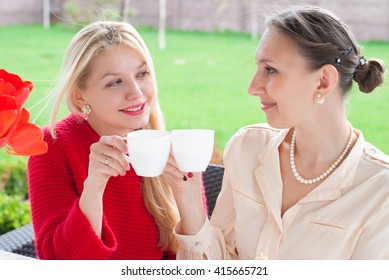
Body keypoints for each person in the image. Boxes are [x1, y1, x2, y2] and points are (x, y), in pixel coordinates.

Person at [163, 6, 388, 259]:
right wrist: (189, 198)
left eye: (270, 69)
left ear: (323, 81)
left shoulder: (381, 191)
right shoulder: (247, 147)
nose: (252, 87)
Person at [27, 21, 207, 260]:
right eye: (114, 82)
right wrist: (94, 187)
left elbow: (201, 261)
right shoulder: (52, 145)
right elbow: (59, 262)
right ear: (80, 96)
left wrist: (187, 198)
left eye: (142, 74)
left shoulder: (165, 146)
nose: (136, 93)